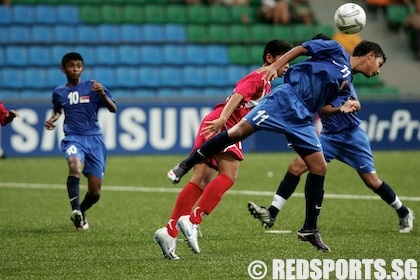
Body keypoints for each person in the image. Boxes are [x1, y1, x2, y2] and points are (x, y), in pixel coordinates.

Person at [167, 39, 387, 252]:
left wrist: (343, 107)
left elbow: (324, 109)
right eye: (379, 64)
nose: (378, 71)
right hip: (287, 99)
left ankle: (309, 229)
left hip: (303, 117)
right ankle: (186, 164)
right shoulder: (336, 51)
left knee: (319, 167)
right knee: (237, 133)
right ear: (369, 56)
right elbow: (302, 48)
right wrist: (274, 66)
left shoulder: (347, 86)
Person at [154, 40, 293, 260]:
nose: (287, 64)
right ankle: (193, 219)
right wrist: (223, 120)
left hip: (216, 122)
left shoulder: (267, 83)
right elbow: (238, 94)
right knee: (229, 175)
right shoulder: (259, 77)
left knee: (201, 178)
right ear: (269, 58)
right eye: (285, 59)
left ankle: (170, 231)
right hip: (224, 125)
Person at [248, 93, 415, 234]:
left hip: (352, 137)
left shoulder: (339, 77)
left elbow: (354, 103)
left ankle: (404, 211)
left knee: (371, 181)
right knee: (296, 167)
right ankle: (272, 213)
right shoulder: (315, 83)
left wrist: (352, 104)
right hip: (329, 137)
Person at [45, 52, 117, 230]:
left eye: (78, 65)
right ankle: (75, 210)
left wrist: (102, 94)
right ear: (64, 69)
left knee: (95, 192)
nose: (75, 69)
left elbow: (113, 108)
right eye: (71, 66)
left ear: (82, 68)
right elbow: (58, 109)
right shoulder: (59, 92)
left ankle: (82, 211)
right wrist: (53, 119)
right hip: (73, 138)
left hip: (95, 140)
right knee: (74, 165)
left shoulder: (93, 87)